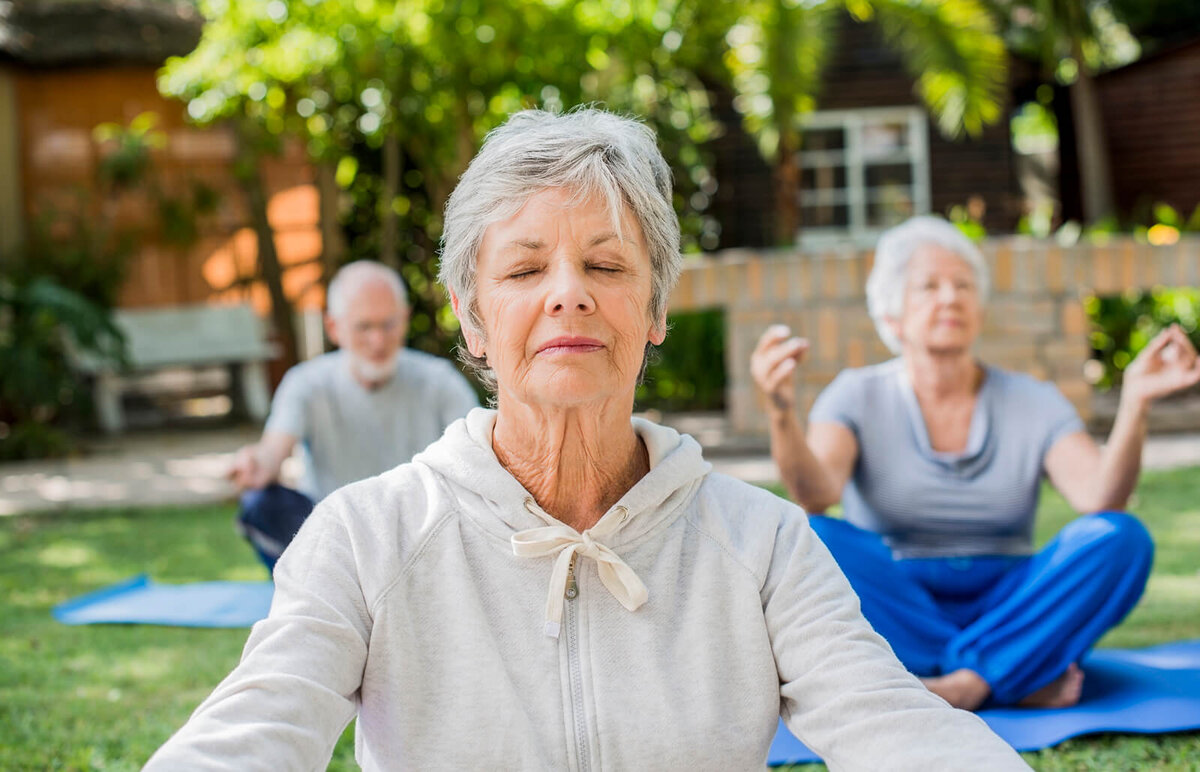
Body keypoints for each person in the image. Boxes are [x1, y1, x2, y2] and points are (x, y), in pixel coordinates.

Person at [146, 109, 1028, 769]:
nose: (568, 293)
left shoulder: (763, 544)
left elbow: (898, 729)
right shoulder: (362, 536)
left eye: (606, 266)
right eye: (525, 269)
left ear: (653, 310)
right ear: (472, 317)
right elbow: (250, 734)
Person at [751, 215, 1200, 711]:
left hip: (1011, 600)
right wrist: (780, 411)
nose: (951, 297)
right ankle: (1012, 675)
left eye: (963, 285)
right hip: (901, 604)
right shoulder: (855, 395)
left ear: (979, 309)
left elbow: (1100, 498)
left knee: (1121, 538)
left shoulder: (1035, 400)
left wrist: (1135, 402)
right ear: (892, 314)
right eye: (929, 286)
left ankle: (956, 686)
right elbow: (817, 494)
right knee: (814, 535)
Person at [227, 260, 478, 570]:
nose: (378, 341)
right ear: (334, 327)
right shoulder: (305, 382)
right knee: (259, 505)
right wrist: (254, 464)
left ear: (404, 319)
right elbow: (271, 454)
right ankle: (312, 593)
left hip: (419, 533)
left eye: (388, 325)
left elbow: (477, 462)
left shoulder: (440, 381)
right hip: (332, 538)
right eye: (364, 327)